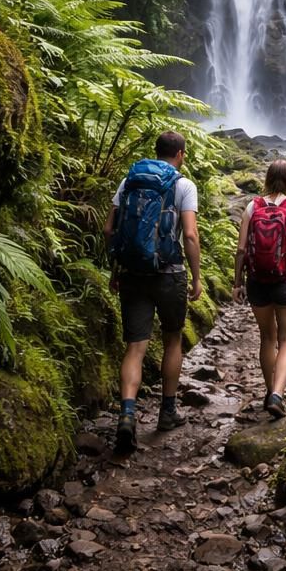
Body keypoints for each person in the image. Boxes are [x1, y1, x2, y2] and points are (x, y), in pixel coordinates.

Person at [108, 131, 201, 454]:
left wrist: (115, 270)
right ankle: (167, 411)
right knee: (172, 339)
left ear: (156, 151)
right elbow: (190, 235)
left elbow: (110, 229)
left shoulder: (128, 182)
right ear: (181, 154)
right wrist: (197, 278)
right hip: (169, 274)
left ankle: (127, 415)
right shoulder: (183, 185)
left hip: (132, 273)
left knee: (135, 347)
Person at [233, 159, 286, 418]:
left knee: (267, 337)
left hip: (257, 281)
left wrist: (237, 283)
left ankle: (269, 391)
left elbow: (241, 250)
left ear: (267, 179)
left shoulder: (252, 207)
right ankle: (278, 395)